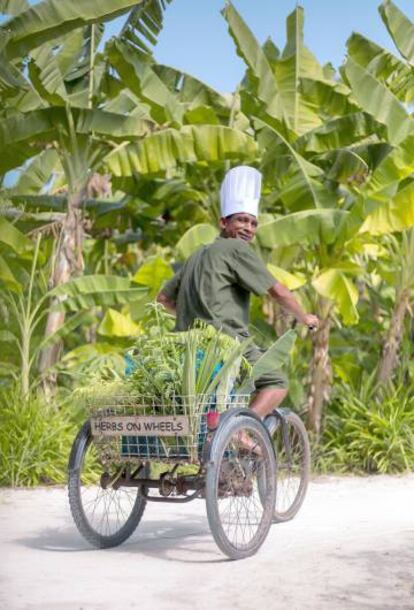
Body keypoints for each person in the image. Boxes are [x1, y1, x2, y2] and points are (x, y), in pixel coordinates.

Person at [157, 165, 319, 422]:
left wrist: (192, 314)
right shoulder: (236, 249)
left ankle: (222, 435)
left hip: (186, 346)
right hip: (226, 343)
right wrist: (305, 317)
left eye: (253, 223)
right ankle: (240, 431)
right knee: (276, 382)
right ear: (224, 222)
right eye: (242, 220)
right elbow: (277, 291)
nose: (249, 228)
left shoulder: (197, 254)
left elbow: (163, 299)